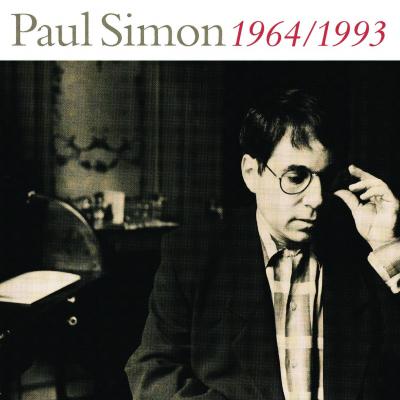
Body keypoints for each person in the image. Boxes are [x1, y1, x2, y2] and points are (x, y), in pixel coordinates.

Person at [125, 89, 400, 399]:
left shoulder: (363, 249)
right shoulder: (193, 256)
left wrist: (386, 244)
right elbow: (152, 371)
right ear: (252, 173)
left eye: (324, 178)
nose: (317, 199)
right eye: (296, 177)